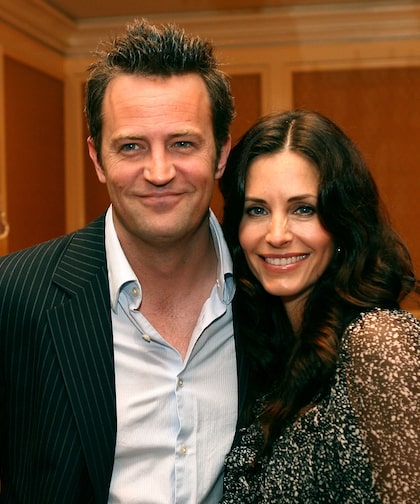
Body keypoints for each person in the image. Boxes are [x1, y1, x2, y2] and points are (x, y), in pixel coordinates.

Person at [0, 18, 240, 503]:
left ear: (220, 154)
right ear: (97, 159)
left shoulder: (271, 293)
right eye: (131, 146)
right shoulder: (15, 294)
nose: (159, 171)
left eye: (183, 143)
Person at [219, 110, 420, 503]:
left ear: (343, 222)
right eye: (257, 210)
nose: (277, 234)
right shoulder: (261, 352)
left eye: (303, 209)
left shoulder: (380, 342)